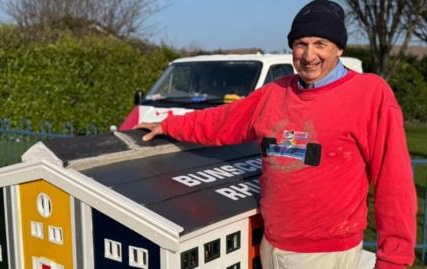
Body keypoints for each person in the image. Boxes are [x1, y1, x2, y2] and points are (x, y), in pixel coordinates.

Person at [135, 0, 417, 268]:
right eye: (300, 44)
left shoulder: (369, 94)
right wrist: (168, 125)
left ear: (339, 49)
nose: (309, 56)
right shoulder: (275, 93)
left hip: (327, 254)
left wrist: (393, 259)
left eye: (321, 44)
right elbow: (222, 121)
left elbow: (394, 182)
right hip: (272, 246)